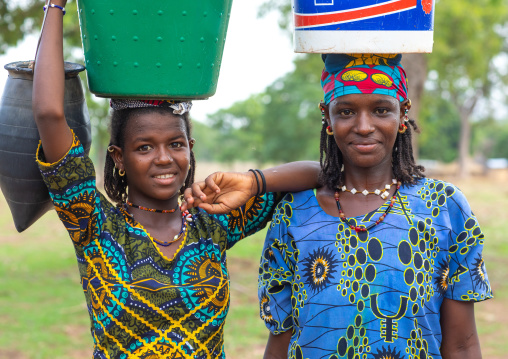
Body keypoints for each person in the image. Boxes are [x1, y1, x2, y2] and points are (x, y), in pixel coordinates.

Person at [31, 1, 320, 358]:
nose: (164, 158)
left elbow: (321, 173)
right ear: (119, 157)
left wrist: (252, 181)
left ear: (190, 148)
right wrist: (56, 5)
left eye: (175, 144)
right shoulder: (94, 226)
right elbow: (48, 112)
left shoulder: (212, 222)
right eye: (144, 147)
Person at [257, 53, 493, 359]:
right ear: (327, 118)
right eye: (346, 112)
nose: (364, 126)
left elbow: (461, 345)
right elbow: (281, 342)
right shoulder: (294, 213)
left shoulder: (444, 207)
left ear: (403, 113)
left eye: (381, 110)